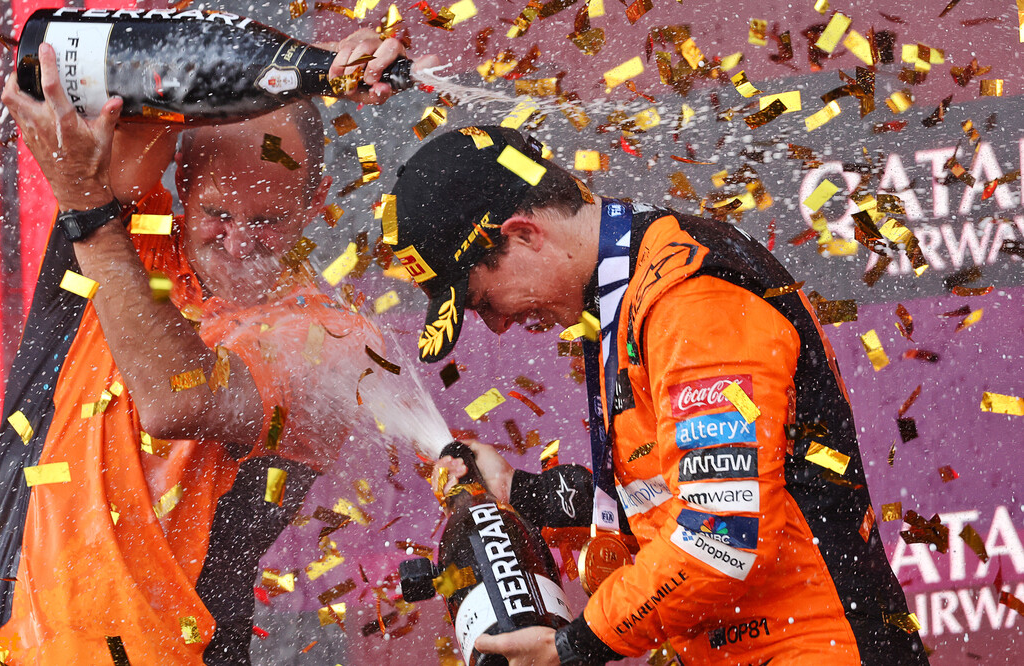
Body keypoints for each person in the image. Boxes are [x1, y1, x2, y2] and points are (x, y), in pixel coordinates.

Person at [0, 28, 434, 666]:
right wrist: (324, 67)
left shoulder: (339, 342)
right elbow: (164, 63)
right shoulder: (133, 234)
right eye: (218, 215)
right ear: (180, 186)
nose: (236, 244)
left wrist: (90, 213)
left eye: (266, 221)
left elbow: (182, 400)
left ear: (314, 202)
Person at [387, 126, 929, 665]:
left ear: (524, 234)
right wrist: (521, 491)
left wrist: (572, 647)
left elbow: (722, 537)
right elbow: (672, 498)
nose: (498, 325)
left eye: (482, 300)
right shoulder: (629, 287)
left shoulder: (686, 299)